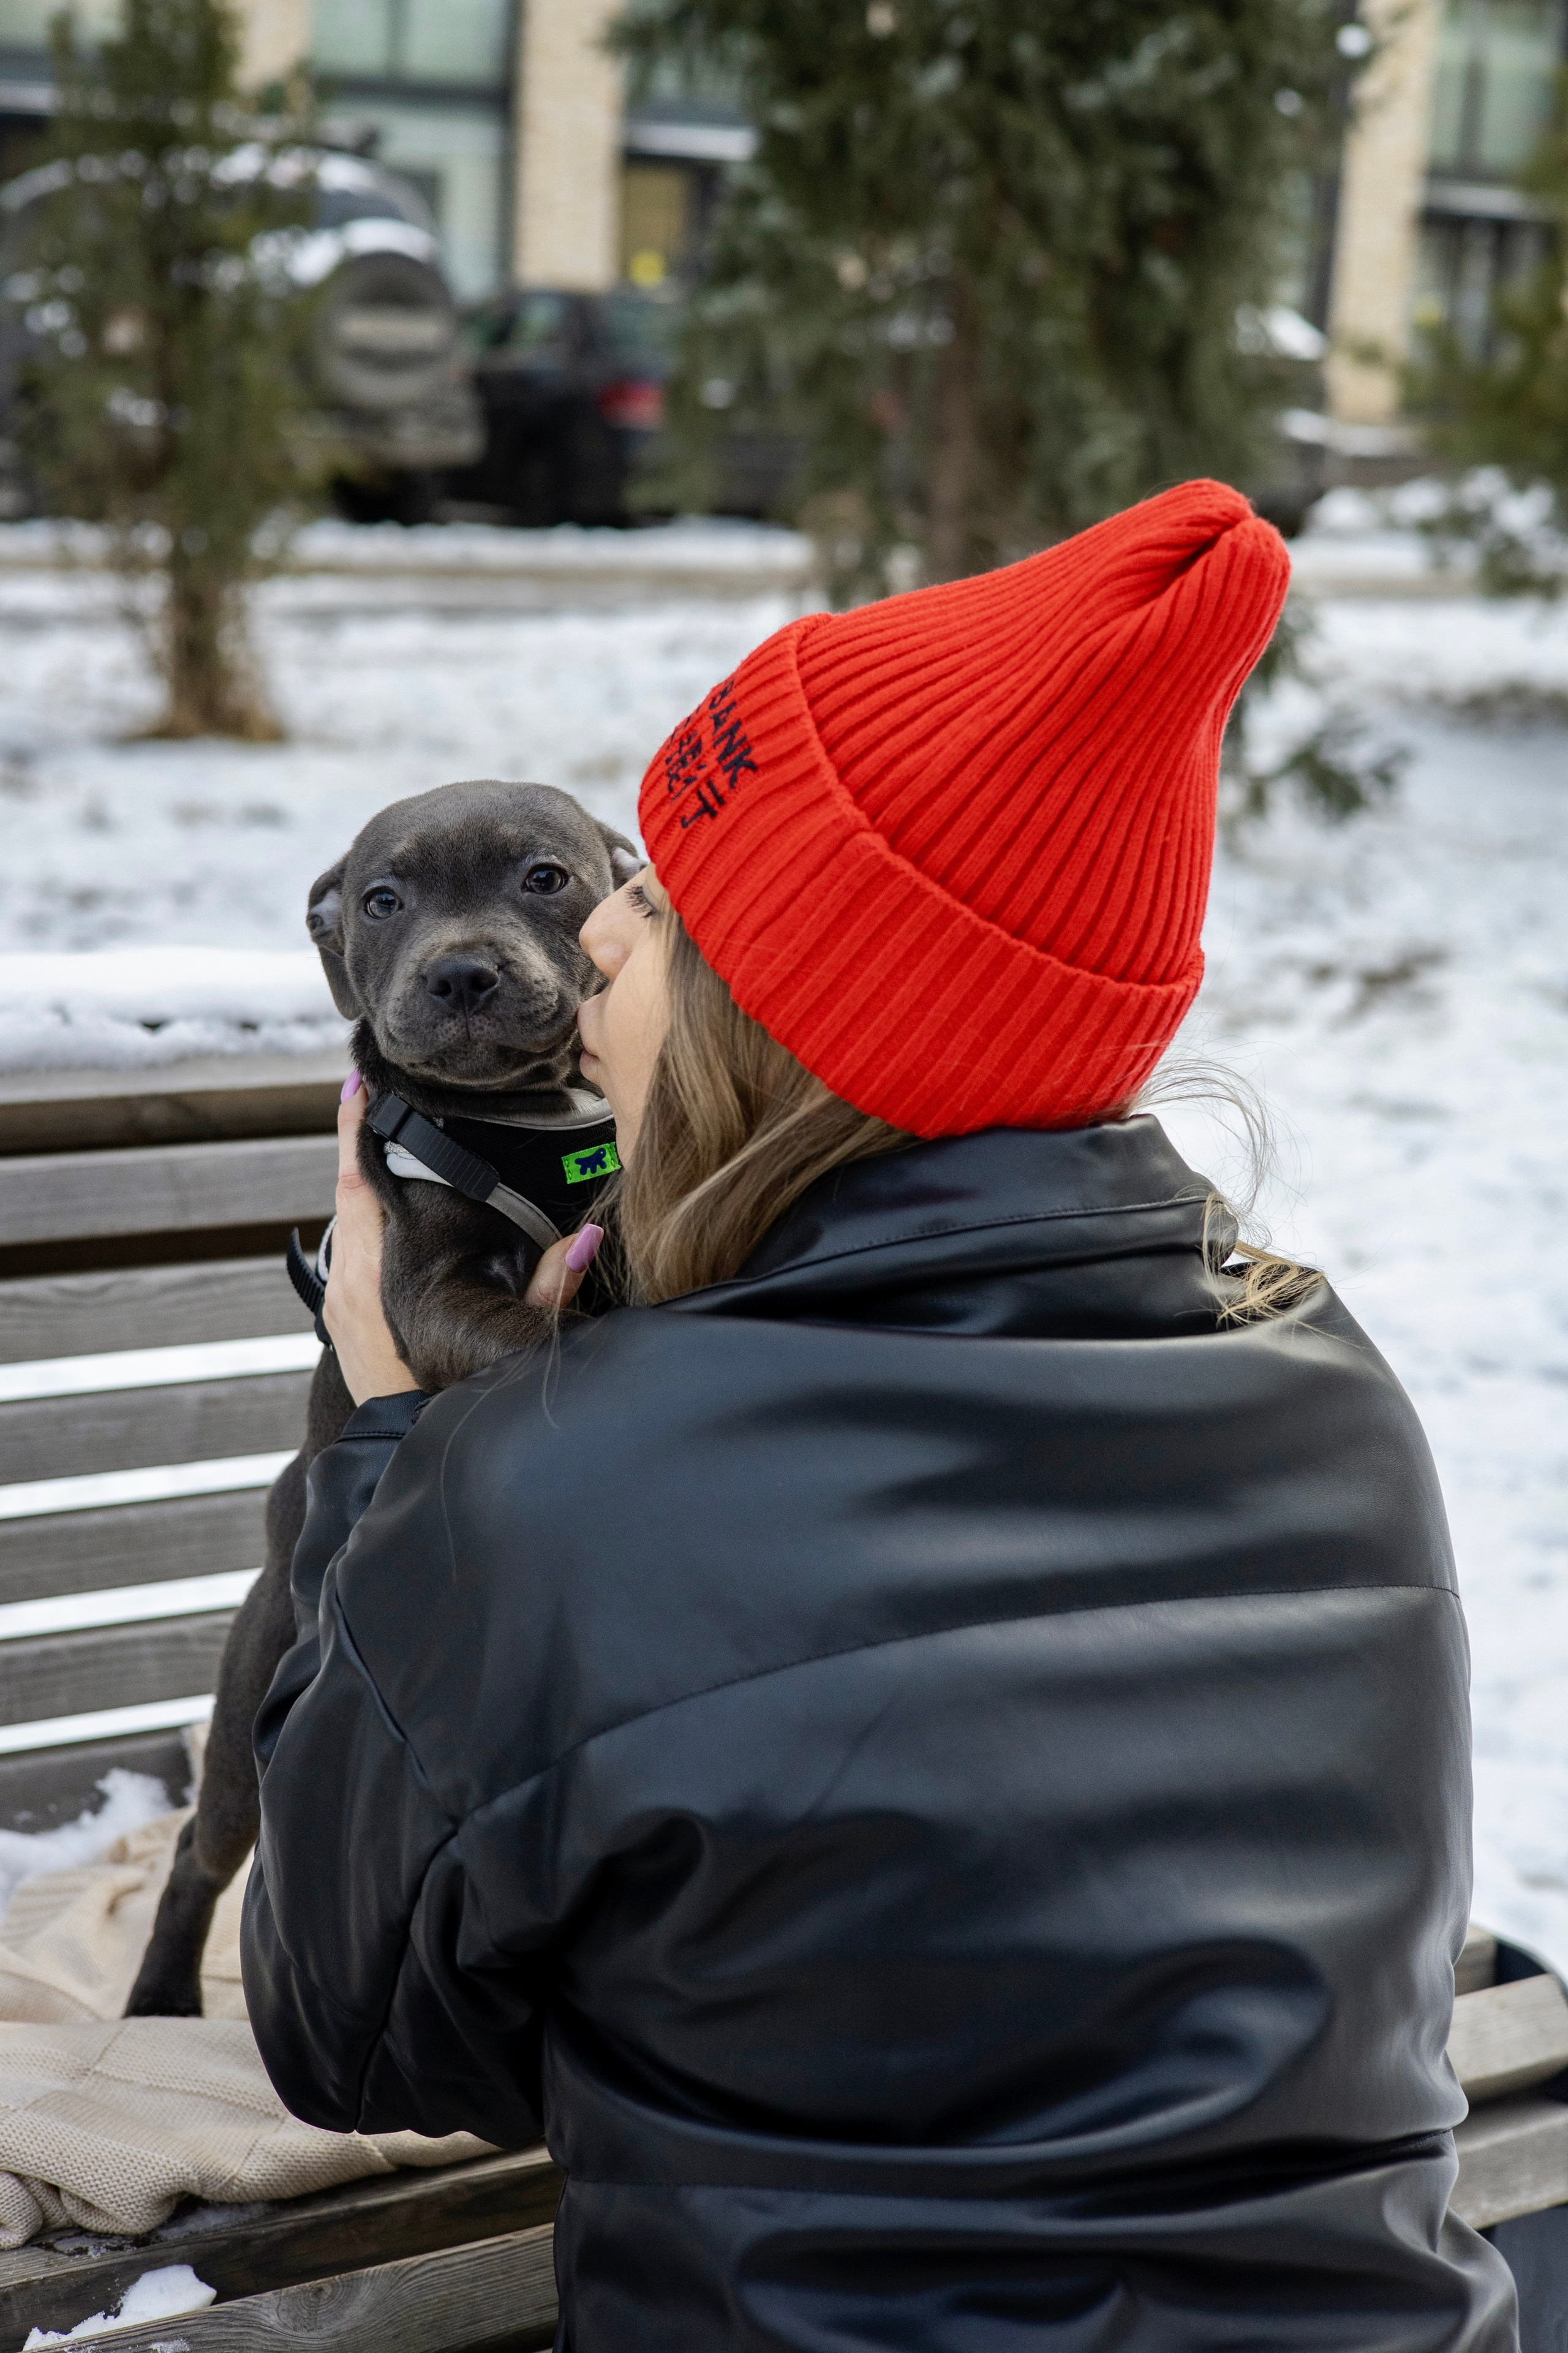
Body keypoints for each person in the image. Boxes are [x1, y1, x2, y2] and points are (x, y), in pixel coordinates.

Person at [242, 480, 1517, 2353]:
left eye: (657, 902)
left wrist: (389, 1450)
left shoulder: (572, 1473)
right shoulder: (1337, 1386)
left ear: (788, 1008)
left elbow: (351, 2037)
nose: (603, 949)